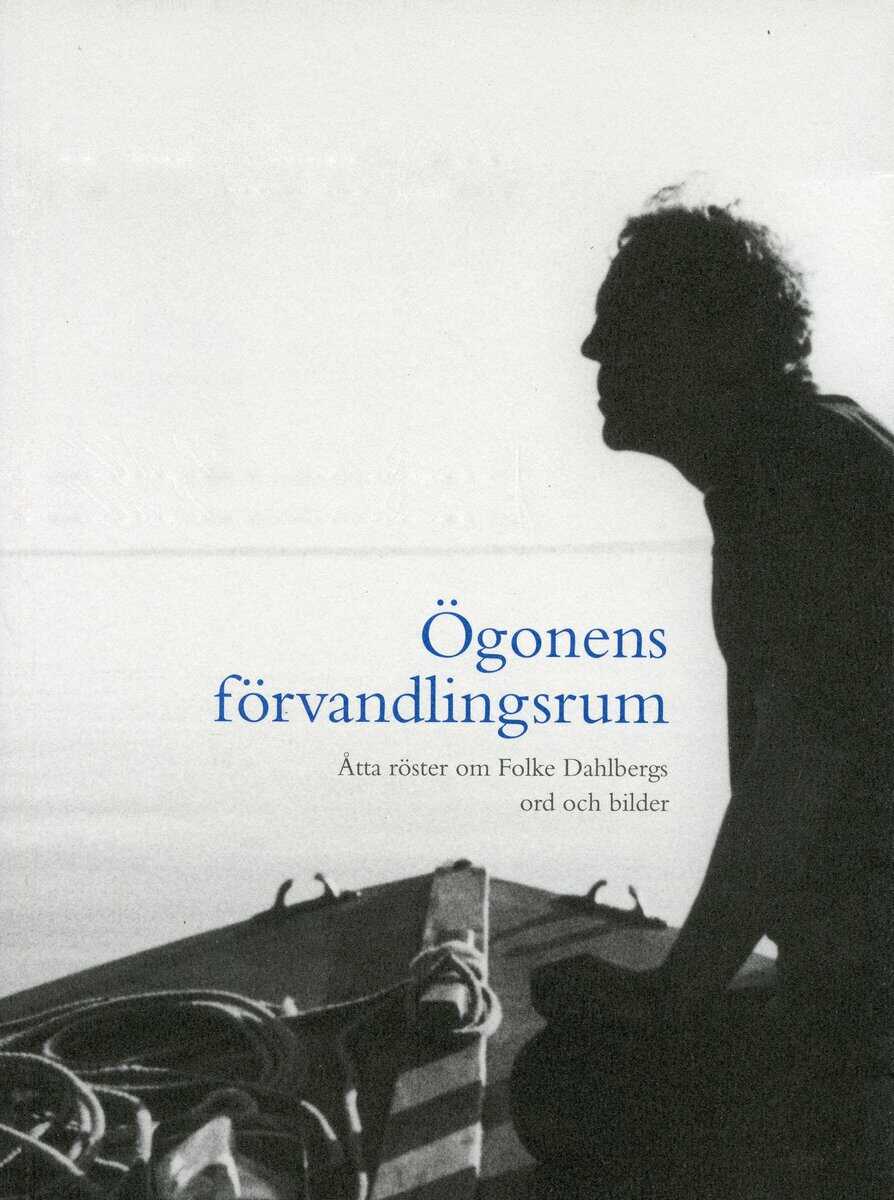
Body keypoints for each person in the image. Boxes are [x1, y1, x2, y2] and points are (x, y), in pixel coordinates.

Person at [510, 200, 893, 1198]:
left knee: (575, 1093)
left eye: (625, 323)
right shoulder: (812, 453)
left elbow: (791, 787)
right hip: (851, 985)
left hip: (873, 1010)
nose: (592, 347)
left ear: (718, 342)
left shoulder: (801, 479)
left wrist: (671, 993)